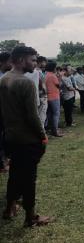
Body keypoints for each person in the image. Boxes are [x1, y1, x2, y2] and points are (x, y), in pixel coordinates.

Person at [0, 46, 51, 227]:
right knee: (29, 179)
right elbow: (32, 116)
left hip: (11, 137)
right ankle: (31, 217)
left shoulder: (4, 79)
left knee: (15, 173)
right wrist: (43, 136)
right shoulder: (25, 83)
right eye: (33, 60)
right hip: (27, 140)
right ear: (21, 60)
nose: (35, 64)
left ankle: (9, 208)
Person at [0, 52, 12, 173]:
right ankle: (2, 164)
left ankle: (6, 159)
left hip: (6, 111)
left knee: (5, 136)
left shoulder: (6, 75)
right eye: (10, 61)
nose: (12, 64)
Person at [45, 61, 63, 137]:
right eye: (55, 67)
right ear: (53, 68)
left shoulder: (46, 75)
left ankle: (50, 129)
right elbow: (59, 85)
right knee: (56, 114)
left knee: (50, 114)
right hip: (54, 97)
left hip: (48, 97)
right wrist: (60, 78)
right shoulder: (52, 75)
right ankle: (55, 131)